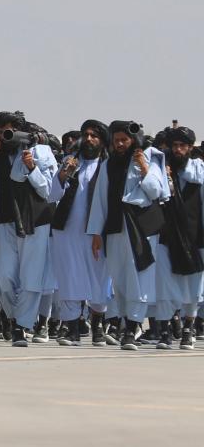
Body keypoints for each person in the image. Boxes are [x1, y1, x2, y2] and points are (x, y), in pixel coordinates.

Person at [0, 112, 57, 347]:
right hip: (5, 222)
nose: (5, 136)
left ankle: (21, 326)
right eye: (2, 132)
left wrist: (31, 167)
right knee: (4, 276)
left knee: (32, 278)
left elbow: (47, 190)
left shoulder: (41, 152)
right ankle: (14, 317)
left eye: (9, 130)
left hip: (35, 222)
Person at [86, 120, 167, 351]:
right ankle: (126, 325)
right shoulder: (108, 164)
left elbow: (156, 191)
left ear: (134, 140)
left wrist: (144, 167)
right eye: (117, 140)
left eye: (125, 140)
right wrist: (95, 233)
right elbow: (100, 200)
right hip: (115, 228)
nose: (120, 144)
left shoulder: (150, 158)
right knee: (120, 279)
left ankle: (132, 328)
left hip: (140, 229)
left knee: (138, 279)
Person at [48, 120, 111, 346]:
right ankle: (72, 329)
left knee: (99, 279)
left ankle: (97, 326)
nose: (90, 139)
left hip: (97, 232)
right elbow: (53, 194)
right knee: (70, 278)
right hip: (68, 230)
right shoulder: (70, 162)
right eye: (87, 134)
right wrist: (65, 174)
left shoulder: (108, 165)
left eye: (95, 135)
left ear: (102, 141)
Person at [155, 125, 204, 350]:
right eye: (174, 146)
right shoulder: (162, 169)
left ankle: (188, 329)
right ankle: (164, 331)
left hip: (195, 237)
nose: (177, 150)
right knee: (165, 285)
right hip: (167, 236)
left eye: (182, 146)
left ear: (190, 148)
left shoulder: (199, 171)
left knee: (193, 288)